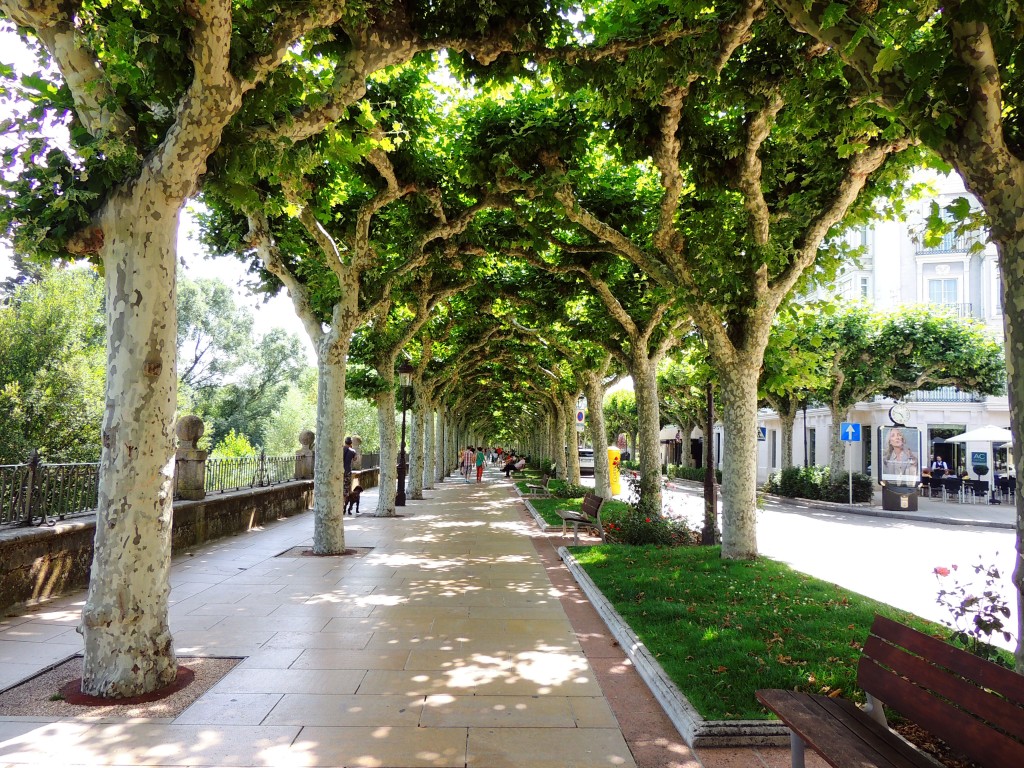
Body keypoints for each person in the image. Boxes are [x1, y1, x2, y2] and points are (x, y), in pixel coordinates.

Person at [343, 436, 357, 514]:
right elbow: (355, 459)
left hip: (338, 472)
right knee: (346, 490)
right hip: (347, 472)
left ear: (345, 442)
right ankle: (344, 507)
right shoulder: (352, 451)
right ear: (351, 443)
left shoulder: (341, 449)